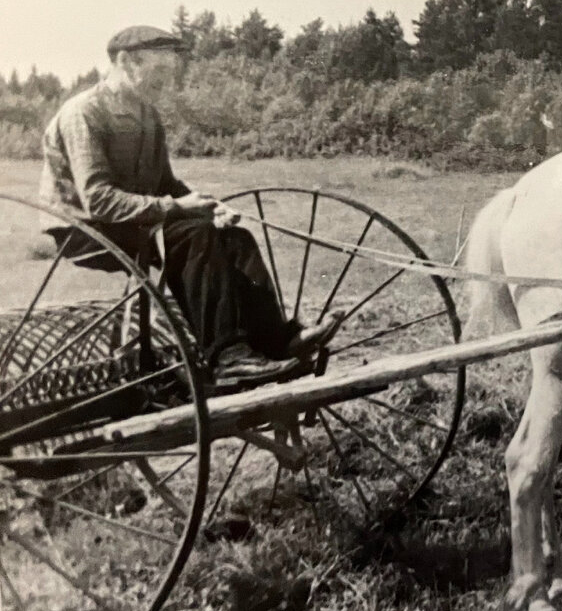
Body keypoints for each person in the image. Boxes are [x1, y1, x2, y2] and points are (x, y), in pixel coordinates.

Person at [39, 25, 340, 382]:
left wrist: (209, 207)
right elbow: (100, 201)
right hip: (85, 229)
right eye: (160, 72)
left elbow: (166, 184)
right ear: (126, 61)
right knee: (192, 236)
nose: (167, 83)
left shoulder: (147, 116)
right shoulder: (84, 114)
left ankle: (277, 341)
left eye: (171, 73)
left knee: (235, 238)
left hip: (132, 222)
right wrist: (181, 209)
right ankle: (227, 355)